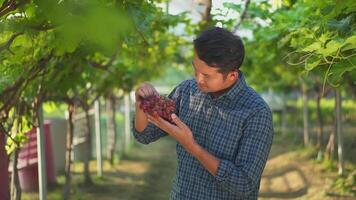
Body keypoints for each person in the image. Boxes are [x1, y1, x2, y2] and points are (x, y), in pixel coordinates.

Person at [132, 27, 274, 200]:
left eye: (206, 76)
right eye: (195, 70)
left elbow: (244, 184)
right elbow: (145, 135)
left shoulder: (256, 113)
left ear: (232, 76)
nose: (198, 79)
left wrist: (193, 148)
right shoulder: (187, 91)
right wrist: (141, 103)